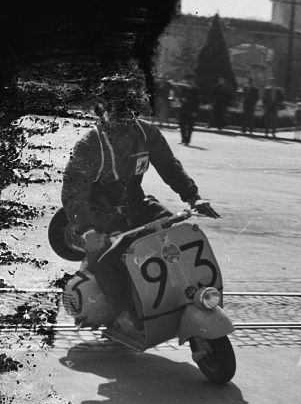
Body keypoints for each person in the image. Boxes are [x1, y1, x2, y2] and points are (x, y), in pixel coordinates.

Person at [62, 74, 218, 334]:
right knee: (105, 255)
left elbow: (169, 166)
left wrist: (193, 197)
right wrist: (88, 231)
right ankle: (124, 312)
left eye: (128, 107)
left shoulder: (147, 133)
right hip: (101, 212)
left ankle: (178, 295)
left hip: (136, 203)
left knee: (169, 228)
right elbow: (73, 190)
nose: (124, 117)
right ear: (105, 108)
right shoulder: (90, 144)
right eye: (117, 107)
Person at [176, 74, 200, 146]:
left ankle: (187, 141)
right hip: (183, 108)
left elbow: (197, 101)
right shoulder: (184, 88)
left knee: (190, 126)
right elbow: (180, 97)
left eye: (190, 80)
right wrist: (182, 99)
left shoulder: (196, 89)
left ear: (193, 81)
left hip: (191, 109)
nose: (189, 81)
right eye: (188, 80)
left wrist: (195, 111)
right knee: (181, 124)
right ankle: (183, 139)